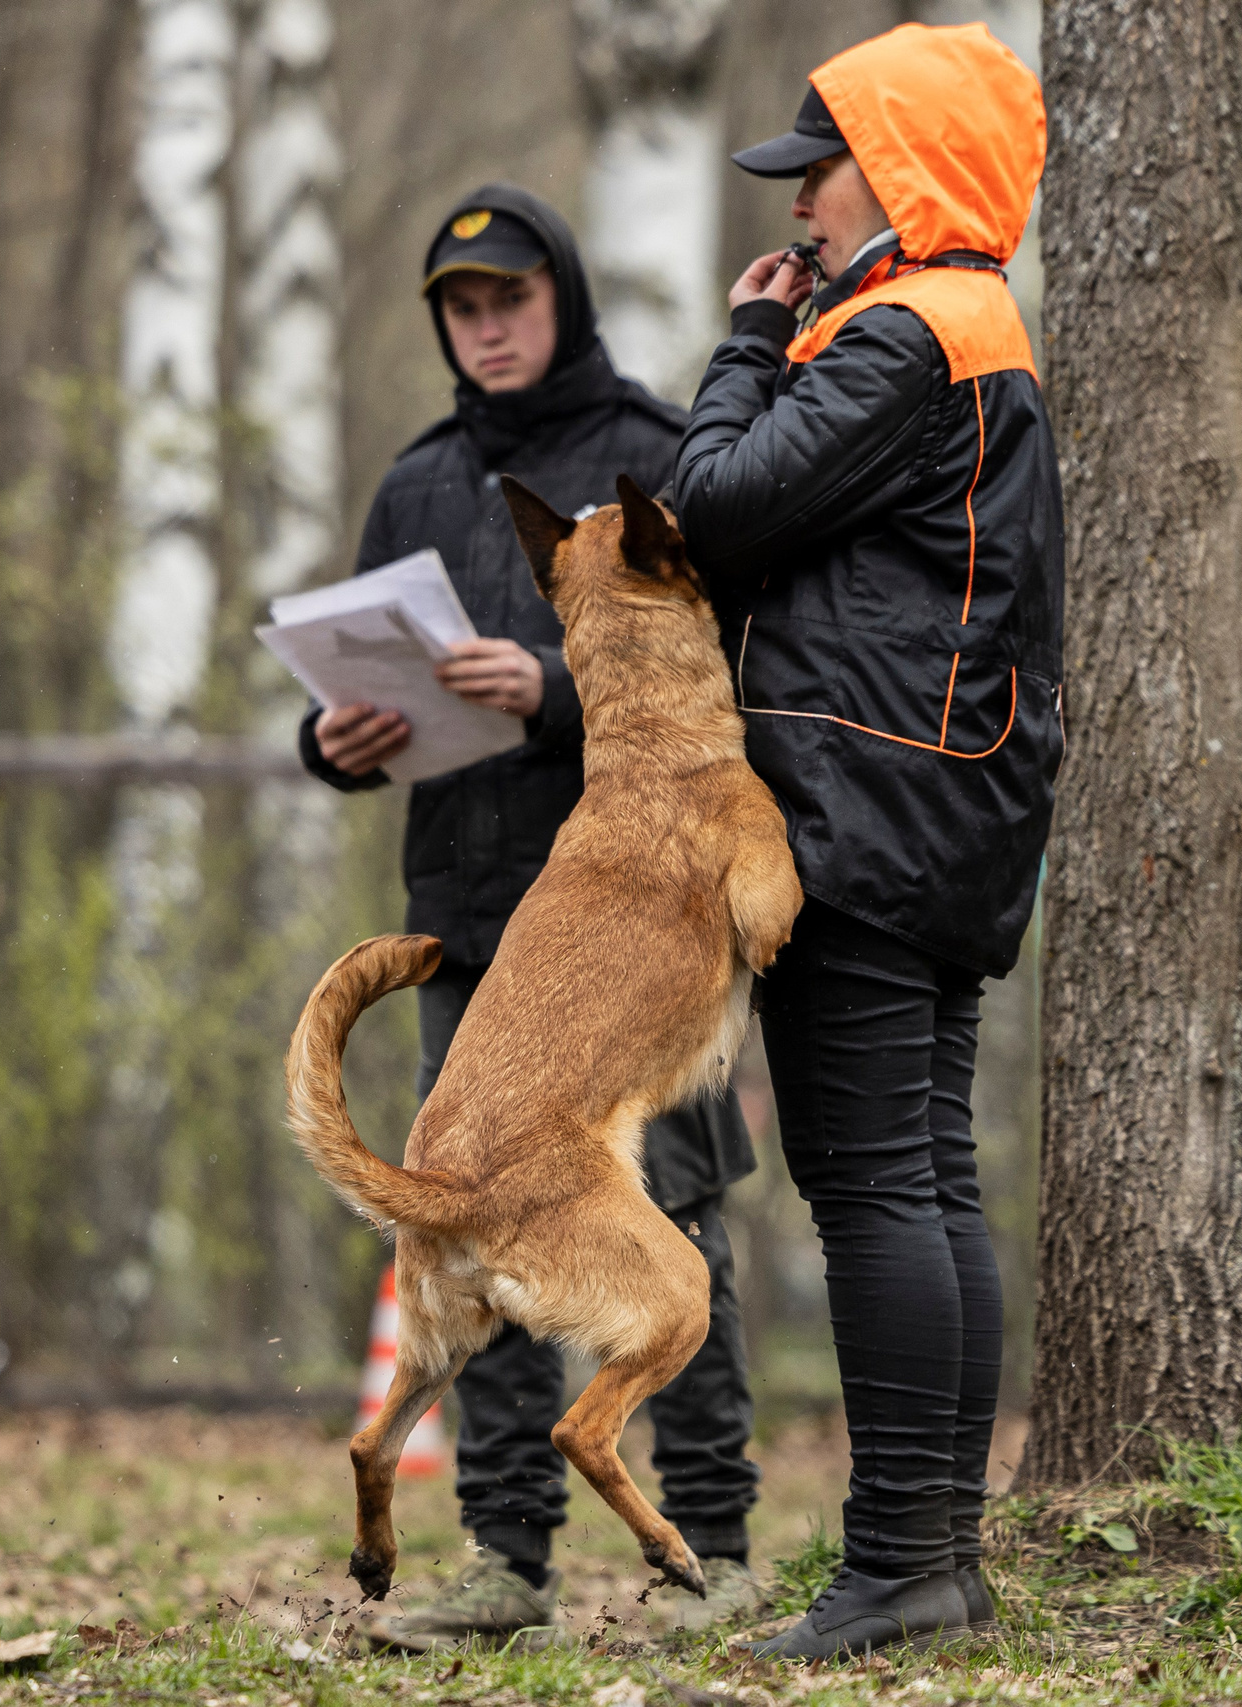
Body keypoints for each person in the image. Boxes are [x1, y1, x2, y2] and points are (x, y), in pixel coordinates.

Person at [299, 185, 766, 1648]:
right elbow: (343, 694)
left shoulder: (644, 454)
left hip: (630, 925)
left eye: (509, 299)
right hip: (469, 915)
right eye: (461, 307)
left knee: (676, 1224)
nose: (486, 326)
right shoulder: (419, 479)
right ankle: (505, 1565)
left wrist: (548, 691)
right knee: (471, 1247)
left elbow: (702, 673)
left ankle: (724, 1549)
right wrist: (335, 745)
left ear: (560, 298)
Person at [672, 24, 1062, 1660]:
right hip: (936, 808)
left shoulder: (903, 333)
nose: (803, 209)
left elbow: (715, 504)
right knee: (922, 1184)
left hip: (862, 813)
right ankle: (935, 1558)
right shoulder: (967, 328)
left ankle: (900, 1564)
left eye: (816, 174)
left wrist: (749, 342)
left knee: (874, 1189)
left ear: (897, 172)